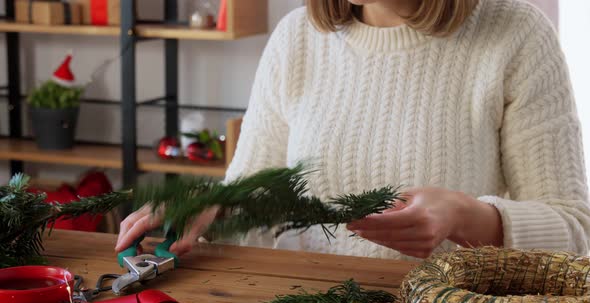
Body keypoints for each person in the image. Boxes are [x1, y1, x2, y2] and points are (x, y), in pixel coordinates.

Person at [116, 0, 590, 260]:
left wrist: (469, 217)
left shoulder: (518, 35)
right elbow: (253, 197)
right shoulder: (296, 37)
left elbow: (574, 232)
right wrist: (214, 206)